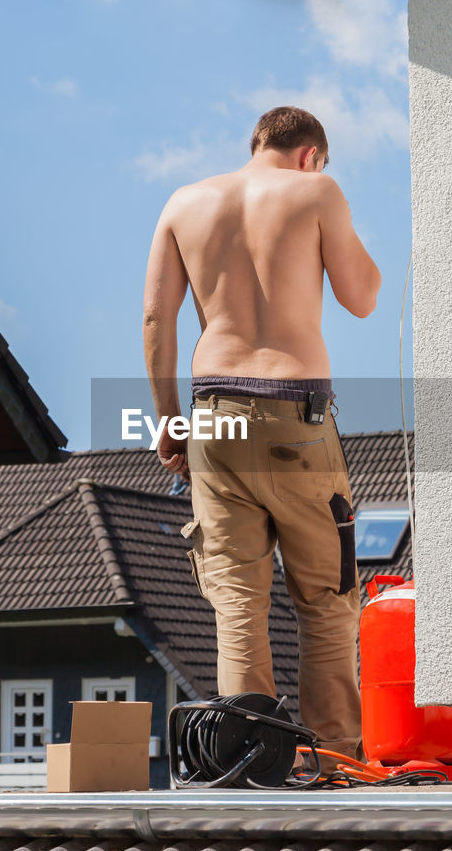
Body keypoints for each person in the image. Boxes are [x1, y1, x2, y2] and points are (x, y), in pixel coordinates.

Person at [141, 106, 381, 769]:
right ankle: (334, 761)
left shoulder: (183, 203)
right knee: (327, 599)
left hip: (212, 416)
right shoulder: (317, 191)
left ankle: (254, 759)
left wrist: (169, 421)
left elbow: (158, 315)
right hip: (293, 415)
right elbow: (362, 297)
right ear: (311, 155)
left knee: (238, 602)